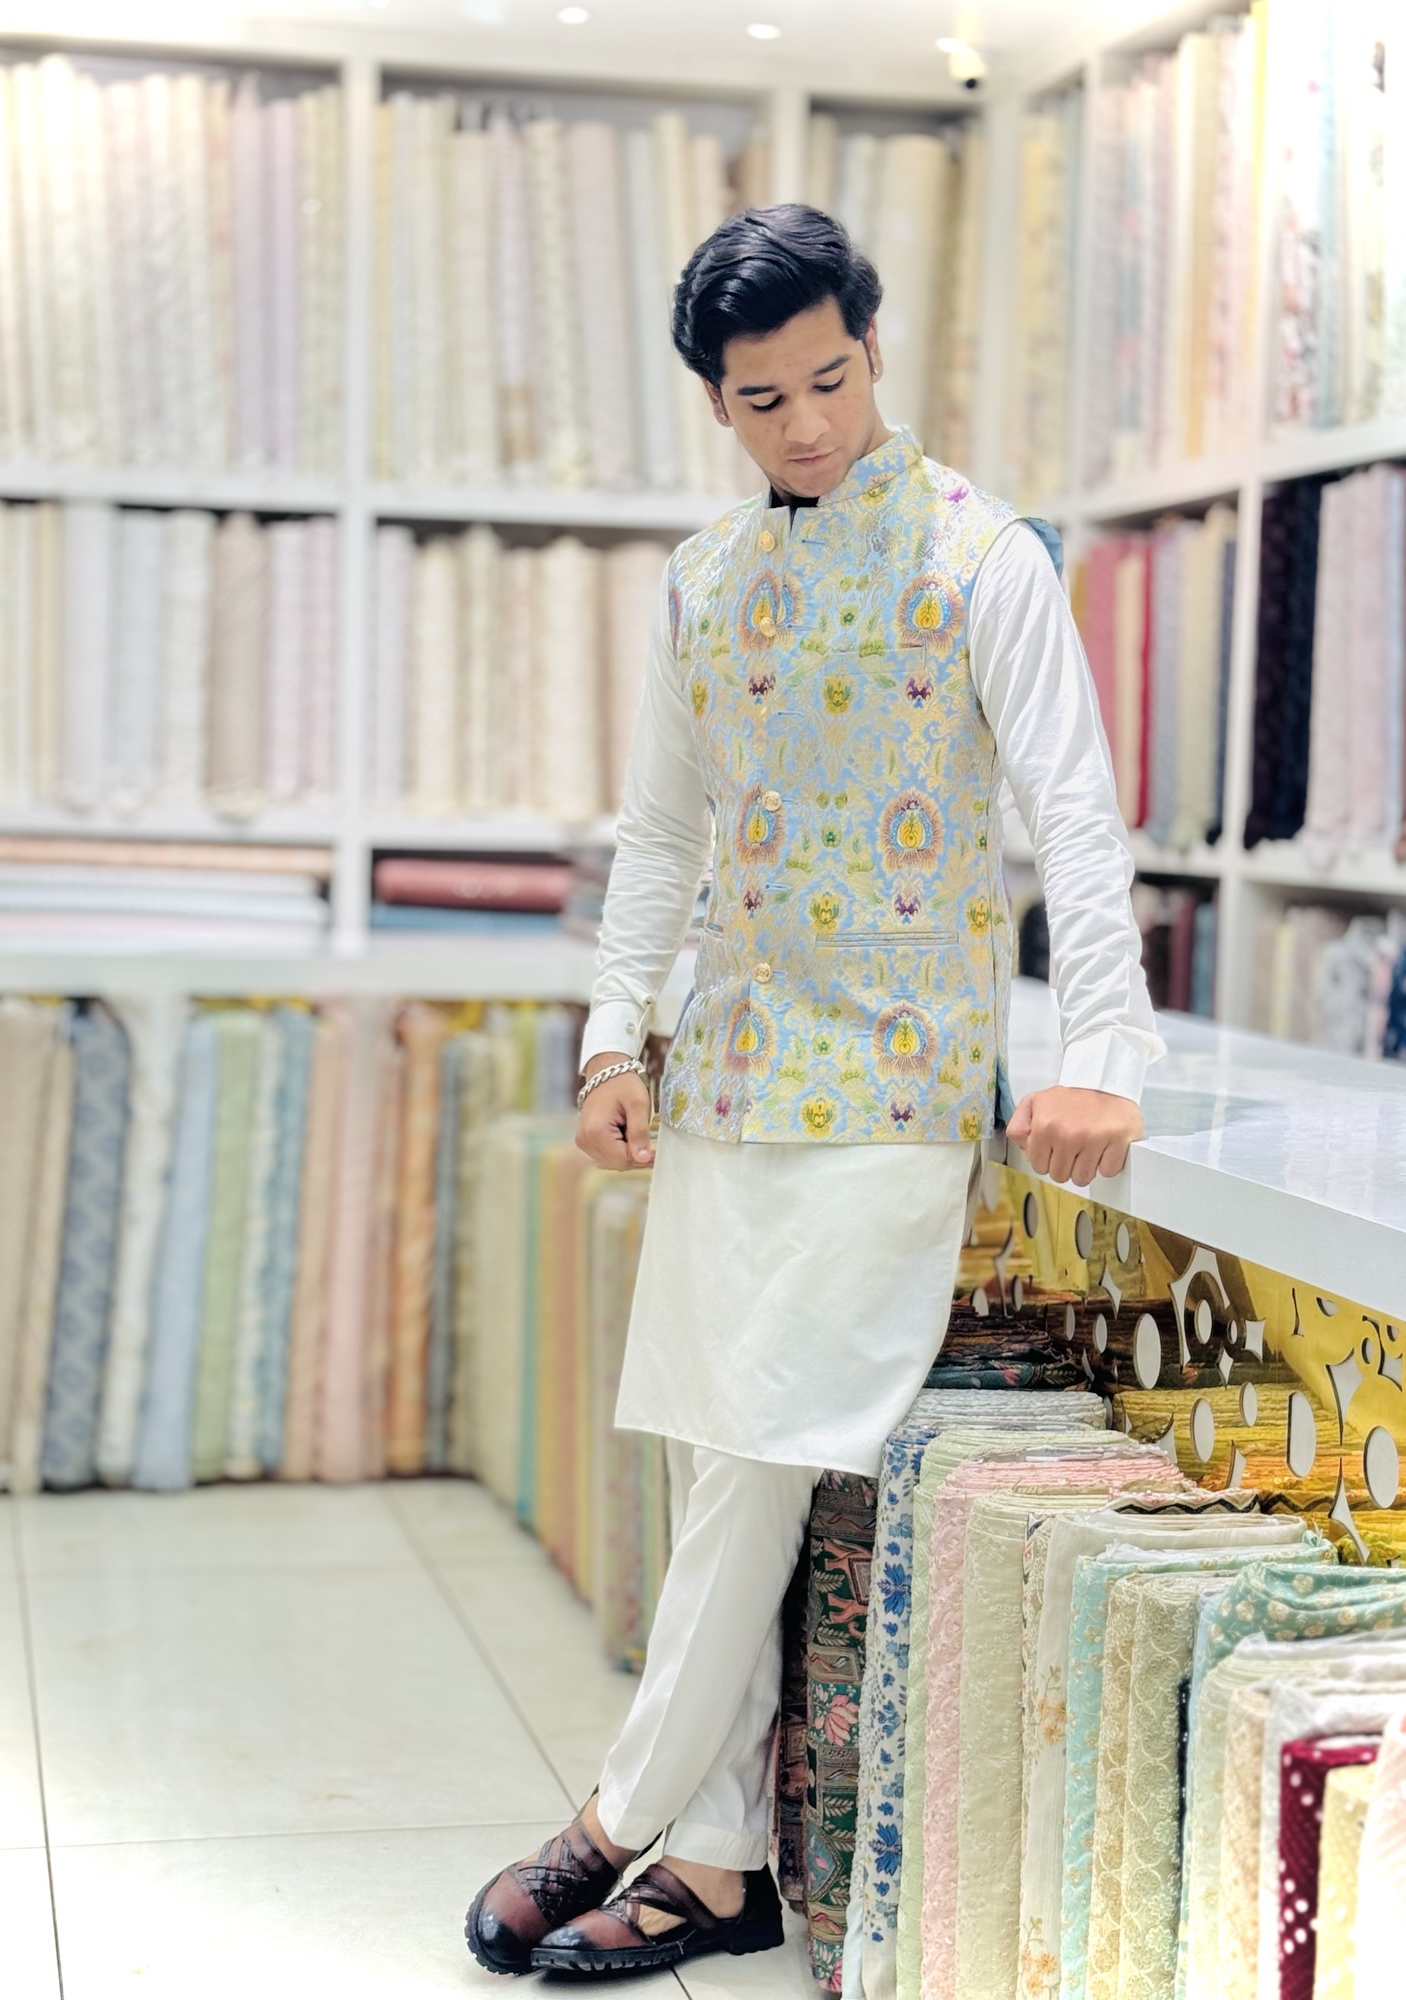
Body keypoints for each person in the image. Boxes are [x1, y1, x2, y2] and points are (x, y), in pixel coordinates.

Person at [465, 204, 1162, 1979]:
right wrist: (614, 1036)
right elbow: (661, 838)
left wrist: (1099, 1056)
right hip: (731, 1076)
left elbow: (1076, 817)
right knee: (725, 1462)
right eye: (764, 399)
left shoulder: (981, 553)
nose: (810, 425)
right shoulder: (702, 580)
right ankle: (715, 1871)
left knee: (771, 1447)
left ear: (873, 347)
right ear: (717, 401)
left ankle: (616, 1814)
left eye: (833, 380)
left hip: (894, 1089)